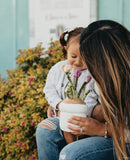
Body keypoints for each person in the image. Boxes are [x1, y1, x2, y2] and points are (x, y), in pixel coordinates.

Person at [57, 20, 130, 160]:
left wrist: (101, 129)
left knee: (73, 154)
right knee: (47, 132)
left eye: (92, 62)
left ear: (107, 59)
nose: (89, 67)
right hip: (119, 129)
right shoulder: (111, 68)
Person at [36, 27, 102, 160]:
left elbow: (92, 98)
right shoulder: (57, 69)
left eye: (85, 57)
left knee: (74, 145)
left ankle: (73, 148)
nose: (78, 62)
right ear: (66, 50)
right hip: (62, 114)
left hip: (84, 117)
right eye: (73, 56)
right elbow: (49, 90)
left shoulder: (93, 73)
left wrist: (81, 112)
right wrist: (58, 105)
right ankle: (71, 147)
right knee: (47, 129)